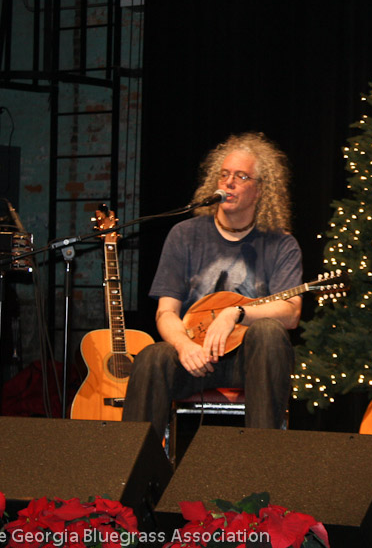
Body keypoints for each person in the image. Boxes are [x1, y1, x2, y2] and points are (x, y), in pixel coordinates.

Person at [123, 132, 302, 438]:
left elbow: (291, 312)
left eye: (241, 176)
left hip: (250, 361)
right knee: (152, 356)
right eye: (224, 174)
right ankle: (133, 462)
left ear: (260, 189)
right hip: (194, 355)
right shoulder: (184, 235)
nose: (229, 183)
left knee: (269, 332)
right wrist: (184, 346)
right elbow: (166, 312)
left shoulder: (281, 244)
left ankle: (264, 455)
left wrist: (236, 313)